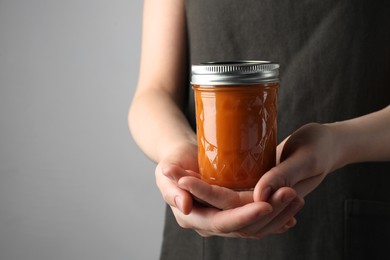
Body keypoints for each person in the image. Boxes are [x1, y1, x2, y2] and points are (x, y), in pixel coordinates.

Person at [128, 0, 390, 259]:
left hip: (352, 226)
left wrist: (338, 143)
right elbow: (154, 92)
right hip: (204, 226)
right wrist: (178, 148)